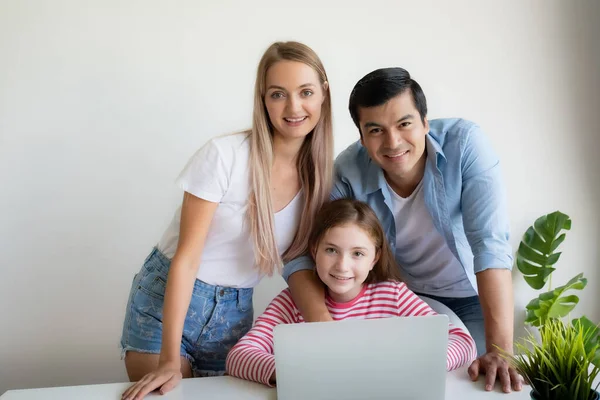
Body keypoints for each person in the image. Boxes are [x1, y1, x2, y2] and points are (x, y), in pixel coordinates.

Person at [283, 67, 522, 393]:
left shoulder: (465, 145)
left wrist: (500, 350)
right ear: (362, 138)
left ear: (425, 122)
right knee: (393, 384)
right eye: (376, 130)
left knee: (475, 381)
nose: (393, 142)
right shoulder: (347, 172)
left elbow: (489, 243)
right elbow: (302, 252)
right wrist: (327, 334)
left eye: (405, 124)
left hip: (470, 295)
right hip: (400, 297)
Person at [120, 41, 333, 400]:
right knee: (168, 393)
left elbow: (297, 261)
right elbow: (187, 258)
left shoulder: (323, 179)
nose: (294, 107)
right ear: (263, 99)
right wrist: (170, 359)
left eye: (306, 92)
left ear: (323, 95)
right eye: (278, 94)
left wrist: (329, 332)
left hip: (234, 314)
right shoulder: (224, 156)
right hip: (168, 301)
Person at [226, 199, 477, 386]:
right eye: (331, 250)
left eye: (358, 253)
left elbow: (463, 342)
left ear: (374, 258)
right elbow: (238, 357)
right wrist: (292, 371)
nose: (342, 266)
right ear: (314, 251)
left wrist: (420, 364)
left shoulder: (393, 296)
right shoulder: (291, 303)